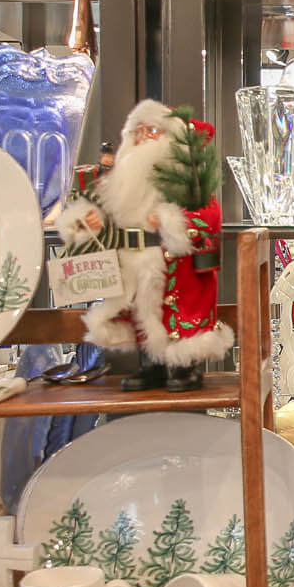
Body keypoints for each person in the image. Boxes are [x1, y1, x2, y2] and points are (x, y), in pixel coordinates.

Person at [54, 100, 233, 391]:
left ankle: (183, 365)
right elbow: (104, 215)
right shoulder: (119, 182)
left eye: (152, 131)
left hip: (177, 266)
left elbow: (209, 216)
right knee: (140, 315)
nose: (144, 138)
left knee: (179, 317)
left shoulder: (186, 179)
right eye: (138, 132)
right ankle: (152, 363)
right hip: (133, 261)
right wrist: (90, 222)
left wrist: (170, 220)